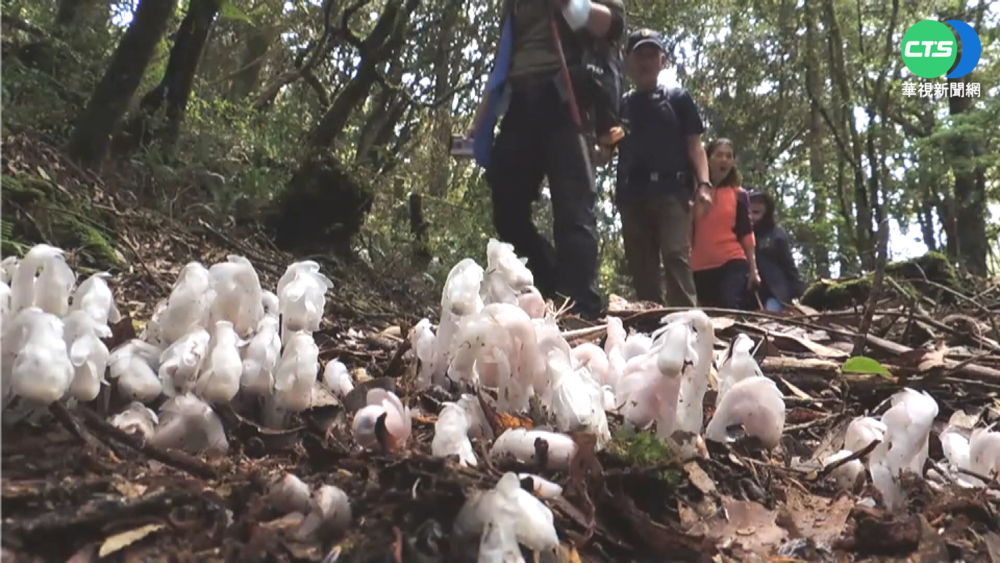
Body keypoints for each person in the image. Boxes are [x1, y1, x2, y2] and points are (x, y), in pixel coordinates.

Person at [468, 0, 627, 321]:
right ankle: (546, 286)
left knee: (573, 208)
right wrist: (478, 123)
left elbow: (614, 24)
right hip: (520, 101)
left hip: (565, 94)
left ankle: (580, 308)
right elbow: (504, 57)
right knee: (507, 207)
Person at [614, 28, 712, 307]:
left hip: (672, 193)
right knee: (641, 265)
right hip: (632, 195)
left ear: (663, 61)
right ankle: (651, 323)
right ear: (628, 61)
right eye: (639, 56)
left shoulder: (678, 99)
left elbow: (695, 145)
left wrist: (704, 185)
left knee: (675, 256)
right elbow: (607, 149)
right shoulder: (622, 105)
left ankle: (687, 321)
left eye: (651, 55)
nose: (645, 62)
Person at [689, 138, 760, 309]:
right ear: (708, 159)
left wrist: (753, 270)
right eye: (719, 155)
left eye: (729, 156)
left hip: (732, 261)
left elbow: (746, 234)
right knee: (707, 316)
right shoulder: (693, 192)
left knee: (728, 306)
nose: (724, 160)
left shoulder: (738, 194)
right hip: (699, 267)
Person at [747, 188, 806, 311]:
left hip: (774, 294)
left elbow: (789, 267)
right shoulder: (740, 235)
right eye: (751, 201)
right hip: (747, 296)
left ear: (767, 208)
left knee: (771, 313)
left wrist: (800, 294)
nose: (755, 205)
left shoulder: (776, 233)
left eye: (760, 202)